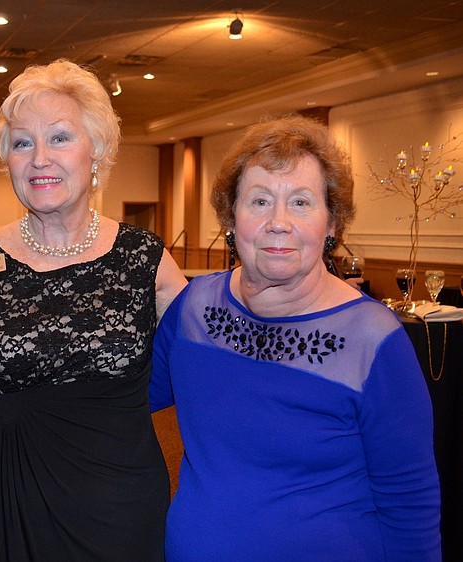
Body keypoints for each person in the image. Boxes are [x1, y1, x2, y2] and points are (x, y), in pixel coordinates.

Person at [150, 115, 441, 560]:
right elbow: (120, 399)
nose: (279, 222)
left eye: (301, 203)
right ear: (231, 218)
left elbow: (410, 506)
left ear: (331, 224)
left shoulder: (373, 340)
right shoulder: (194, 309)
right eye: (260, 201)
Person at [0, 59, 187, 561]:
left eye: (60, 138)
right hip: (3, 503)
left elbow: (212, 365)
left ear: (97, 153)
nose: (39, 158)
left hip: (119, 509)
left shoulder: (144, 259)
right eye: (23, 143)